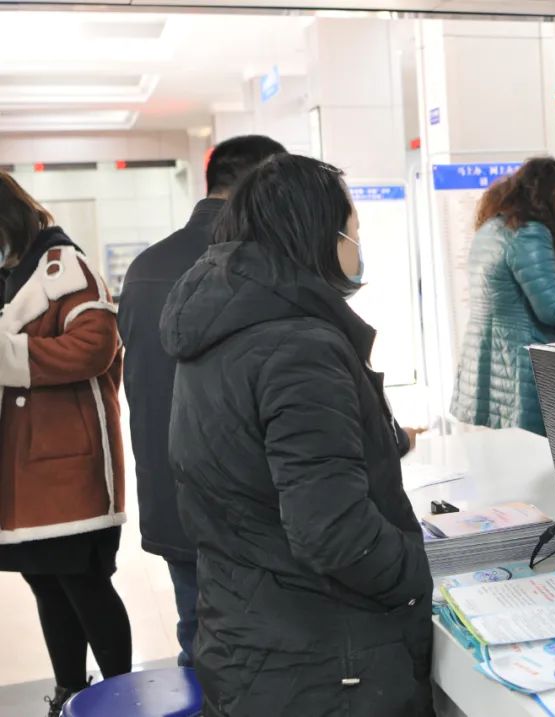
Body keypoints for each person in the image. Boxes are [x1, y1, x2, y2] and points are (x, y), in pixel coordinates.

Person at [160, 154, 434, 716]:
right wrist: (418, 571)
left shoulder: (222, 325)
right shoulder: (298, 347)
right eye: (353, 230)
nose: (357, 246)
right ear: (319, 234)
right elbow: (332, 532)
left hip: (248, 635)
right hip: (324, 662)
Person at [117, 134, 285, 668]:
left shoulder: (145, 267)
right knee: (265, 657)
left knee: (198, 638)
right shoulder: (263, 266)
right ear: (264, 185)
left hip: (170, 493)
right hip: (249, 506)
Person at [0, 172, 131, 716]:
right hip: (21, 465)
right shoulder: (10, 275)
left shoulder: (63, 268)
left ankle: (125, 693)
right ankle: (69, 691)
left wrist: (13, 358)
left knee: (85, 584)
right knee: (45, 582)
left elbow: (96, 345)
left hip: (68, 461)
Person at [451, 157, 555, 436]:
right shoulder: (529, 232)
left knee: (502, 456)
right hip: (519, 369)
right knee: (533, 459)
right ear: (548, 196)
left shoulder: (491, 227)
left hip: (484, 363)